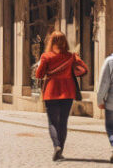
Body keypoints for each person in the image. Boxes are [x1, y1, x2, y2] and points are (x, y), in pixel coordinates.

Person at [36, 31, 88, 162]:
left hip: (51, 92)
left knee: (53, 122)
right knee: (63, 122)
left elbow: (39, 74)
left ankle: (57, 147)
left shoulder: (46, 56)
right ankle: (61, 150)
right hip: (67, 92)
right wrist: (72, 72)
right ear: (65, 42)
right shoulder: (71, 56)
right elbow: (84, 69)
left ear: (51, 42)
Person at [97, 52, 113, 163]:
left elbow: (103, 84)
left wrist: (100, 100)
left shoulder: (109, 61)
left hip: (112, 104)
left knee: (110, 128)